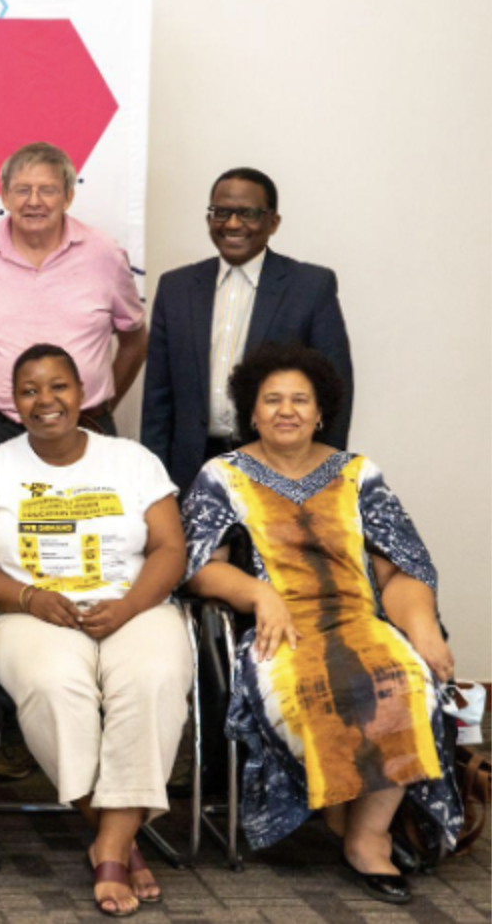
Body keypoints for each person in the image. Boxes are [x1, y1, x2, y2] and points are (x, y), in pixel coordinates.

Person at [182, 344, 454, 906]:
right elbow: (200, 569)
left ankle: (367, 836)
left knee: (406, 680)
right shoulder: (223, 475)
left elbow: (400, 569)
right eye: (272, 400)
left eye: (300, 400)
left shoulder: (358, 474)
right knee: (314, 689)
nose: (287, 410)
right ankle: (338, 809)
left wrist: (423, 628)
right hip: (278, 628)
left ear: (321, 411)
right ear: (251, 412)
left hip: (359, 618)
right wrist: (258, 593)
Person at [0, 344, 190, 918]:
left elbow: (169, 548)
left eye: (58, 386)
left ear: (83, 393)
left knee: (153, 680)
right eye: (29, 390)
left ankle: (109, 846)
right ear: (14, 402)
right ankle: (120, 839)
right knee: (56, 687)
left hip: (134, 604)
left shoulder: (131, 460)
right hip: (29, 612)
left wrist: (129, 606)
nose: (45, 400)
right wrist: (31, 597)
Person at [141, 167, 353, 491]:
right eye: (221, 212)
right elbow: (158, 400)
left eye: (248, 213)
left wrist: (320, 479)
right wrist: (155, 485)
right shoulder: (175, 288)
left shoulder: (310, 287)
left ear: (273, 222)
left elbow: (336, 392)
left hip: (281, 467)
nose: (232, 224)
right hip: (191, 469)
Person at [0, 142, 145, 466]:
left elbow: (134, 341)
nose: (34, 201)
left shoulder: (105, 253)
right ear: (5, 196)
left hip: (85, 427)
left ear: (68, 197)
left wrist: (99, 405)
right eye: (22, 190)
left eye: (48, 190)